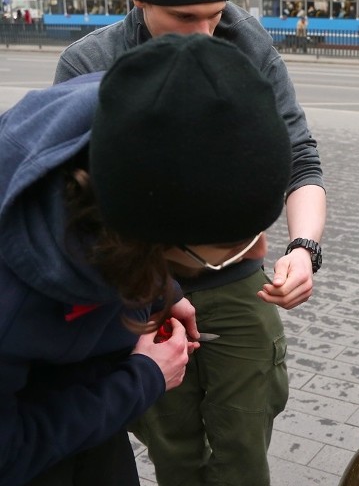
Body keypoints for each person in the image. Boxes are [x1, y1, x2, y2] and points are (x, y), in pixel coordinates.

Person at [52, 0, 326, 484]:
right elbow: (73, 200)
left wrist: (304, 247)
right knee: (171, 447)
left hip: (240, 281)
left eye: (215, 15)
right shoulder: (89, 65)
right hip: (142, 288)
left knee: (244, 448)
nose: (204, 33)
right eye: (184, 18)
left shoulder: (247, 41)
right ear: (139, 2)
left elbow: (300, 155)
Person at [0, 34, 292, 486]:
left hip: (89, 415)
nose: (259, 252)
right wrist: (143, 379)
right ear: (152, 237)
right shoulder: (10, 305)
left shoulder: (132, 122)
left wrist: (163, 291)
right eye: (230, 246)